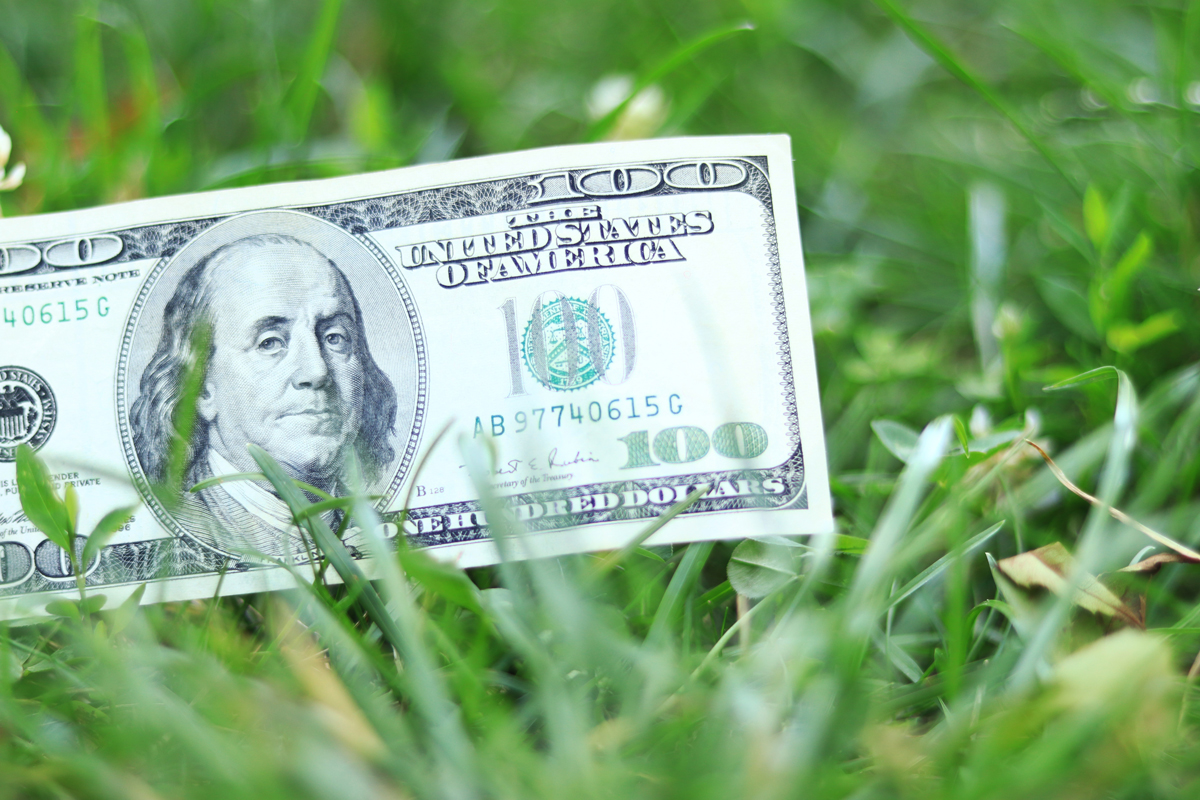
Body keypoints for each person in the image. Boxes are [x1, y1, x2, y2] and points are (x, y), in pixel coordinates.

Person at [130, 233, 398, 557]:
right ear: (201, 388)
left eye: (335, 337)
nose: (317, 371)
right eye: (269, 342)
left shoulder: (390, 533)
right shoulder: (169, 544)